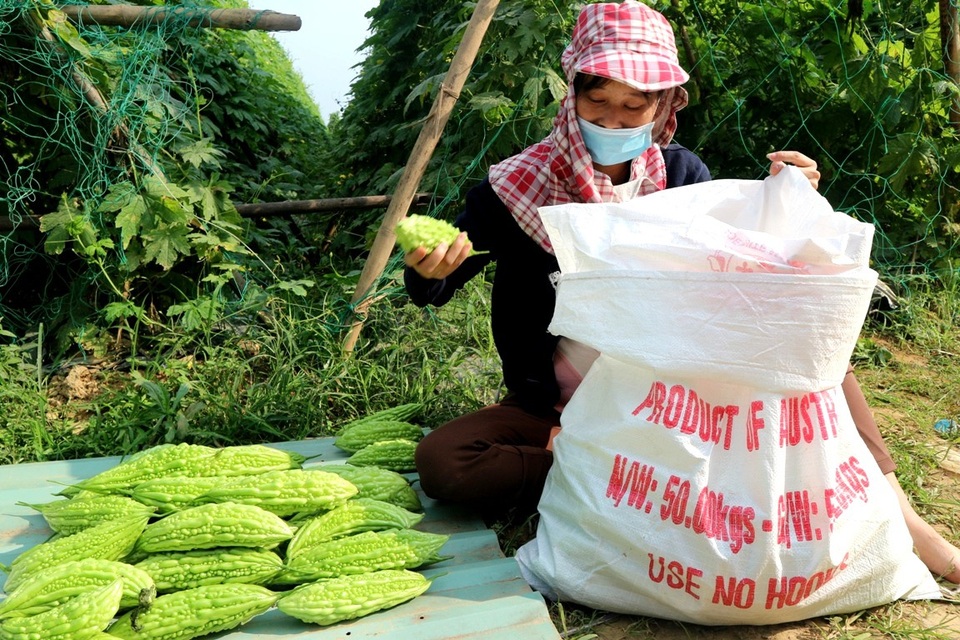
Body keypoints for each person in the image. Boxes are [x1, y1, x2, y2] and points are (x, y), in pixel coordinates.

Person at [403, 0, 960, 584]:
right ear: (572, 95)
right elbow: (434, 287)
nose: (613, 123)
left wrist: (782, 202)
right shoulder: (516, 187)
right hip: (555, 408)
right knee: (446, 466)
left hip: (673, 403)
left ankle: (903, 515)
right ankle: (584, 460)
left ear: (662, 105)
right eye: (598, 102)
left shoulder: (681, 175)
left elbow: (736, 272)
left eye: (632, 107)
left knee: (807, 342)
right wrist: (427, 265)